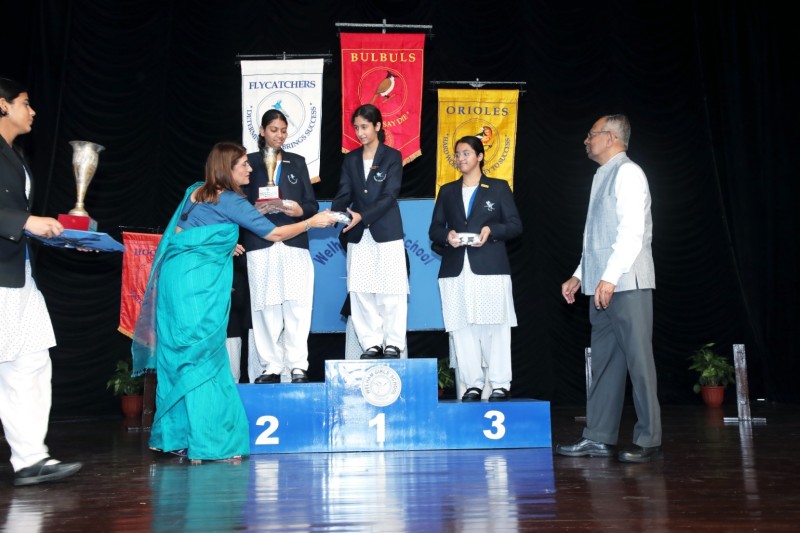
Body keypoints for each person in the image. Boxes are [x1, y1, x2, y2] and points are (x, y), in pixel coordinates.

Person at [132, 141, 334, 462]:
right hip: (198, 286)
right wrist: (311, 222)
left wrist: (223, 245)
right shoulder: (230, 200)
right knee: (204, 356)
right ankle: (211, 442)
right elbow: (274, 234)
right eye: (244, 165)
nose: (250, 168)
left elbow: (185, 233)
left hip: (174, 282)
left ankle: (172, 436)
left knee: (178, 354)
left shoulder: (195, 191)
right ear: (228, 169)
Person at [555, 114, 661, 463]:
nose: (586, 140)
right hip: (603, 285)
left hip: (626, 283)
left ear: (612, 137)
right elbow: (596, 238)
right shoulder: (602, 174)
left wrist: (610, 276)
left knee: (638, 362)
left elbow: (631, 233)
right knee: (604, 363)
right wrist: (580, 275)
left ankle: (649, 439)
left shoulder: (628, 172)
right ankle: (598, 437)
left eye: (592, 134)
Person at [0, 77, 82, 486]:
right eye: (25, 103)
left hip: (20, 273)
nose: (32, 111)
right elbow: (16, 218)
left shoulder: (15, 155)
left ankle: (31, 458)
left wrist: (66, 237)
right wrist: (25, 221)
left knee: (31, 360)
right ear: (2, 105)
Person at [429, 136, 522, 402]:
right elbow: (434, 229)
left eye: (466, 153)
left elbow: (515, 225)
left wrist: (491, 230)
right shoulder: (447, 191)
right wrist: (447, 236)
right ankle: (472, 384)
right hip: (456, 269)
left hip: (490, 267)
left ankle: (500, 384)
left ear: (480, 156)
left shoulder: (498, 188)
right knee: (462, 327)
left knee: (496, 327)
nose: (461, 159)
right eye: (458, 154)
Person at [242, 109, 319, 384]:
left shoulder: (297, 162)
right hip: (260, 242)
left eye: (284, 130)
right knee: (265, 307)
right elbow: (237, 204)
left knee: (297, 305)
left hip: (294, 242)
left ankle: (298, 365)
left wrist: (300, 210)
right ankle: (271, 366)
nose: (279, 135)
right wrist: (253, 211)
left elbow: (312, 205)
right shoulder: (249, 163)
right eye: (274, 130)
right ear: (262, 131)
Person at [331, 104, 408, 359]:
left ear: (377, 126)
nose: (360, 132)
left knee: (392, 289)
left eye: (364, 127)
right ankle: (371, 343)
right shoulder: (351, 159)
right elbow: (344, 192)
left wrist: (362, 216)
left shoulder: (392, 156)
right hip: (357, 233)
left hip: (387, 230)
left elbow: (389, 195)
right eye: (356, 128)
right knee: (361, 290)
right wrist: (335, 214)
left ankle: (393, 343)